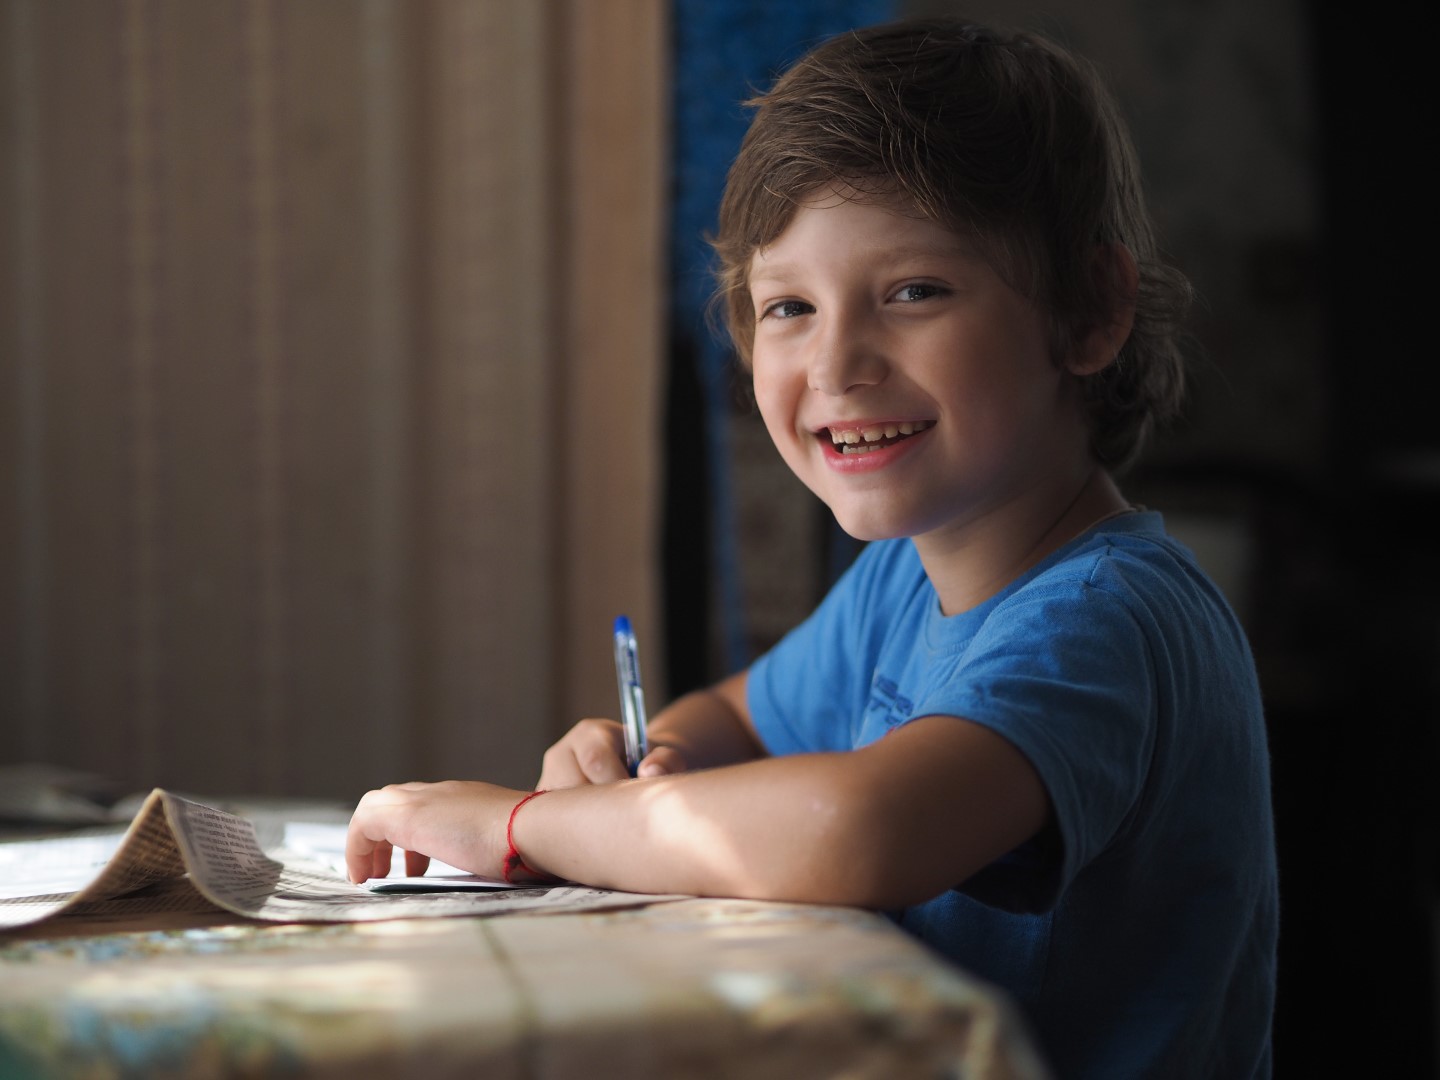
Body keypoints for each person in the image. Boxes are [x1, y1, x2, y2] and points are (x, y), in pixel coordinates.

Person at [347, 16, 1278, 1078]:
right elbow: (740, 714)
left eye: (913, 291)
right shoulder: (900, 577)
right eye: (787, 304)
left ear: (1090, 311)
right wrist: (662, 760)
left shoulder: (1106, 615)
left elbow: (862, 830)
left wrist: (523, 827)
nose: (836, 364)